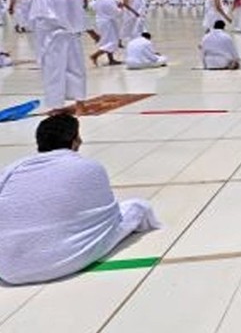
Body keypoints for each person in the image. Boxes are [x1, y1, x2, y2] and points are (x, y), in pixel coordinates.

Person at [0, 114, 160, 285]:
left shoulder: (13, 169)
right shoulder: (89, 167)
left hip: (8, 269)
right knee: (137, 207)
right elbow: (109, 217)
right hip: (63, 260)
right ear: (74, 141)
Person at [28, 0, 87, 111]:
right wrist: (77, 29)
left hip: (50, 39)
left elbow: (34, 19)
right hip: (70, 36)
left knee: (53, 72)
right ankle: (80, 106)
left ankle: (56, 107)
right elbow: (78, 16)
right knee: (76, 70)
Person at [89, 0, 122, 66]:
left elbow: (92, 7)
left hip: (100, 21)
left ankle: (111, 60)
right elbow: (115, 11)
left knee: (107, 40)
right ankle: (95, 55)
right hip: (108, 22)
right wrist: (120, 8)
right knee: (113, 41)